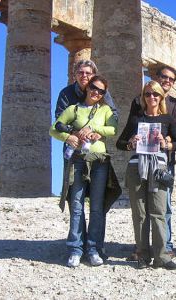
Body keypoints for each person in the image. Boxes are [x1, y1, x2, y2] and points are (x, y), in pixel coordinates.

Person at [50, 75, 118, 268]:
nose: (96, 92)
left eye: (101, 91)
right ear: (88, 88)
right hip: (78, 160)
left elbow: (113, 128)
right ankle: (75, 249)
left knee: (97, 207)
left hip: (99, 161)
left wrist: (96, 130)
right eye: (94, 88)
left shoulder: (105, 110)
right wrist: (69, 137)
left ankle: (94, 248)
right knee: (77, 204)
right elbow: (54, 129)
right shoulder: (74, 109)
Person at [116, 80, 176, 270]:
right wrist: (130, 142)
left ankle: (162, 256)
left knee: (158, 212)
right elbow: (119, 144)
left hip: (159, 168)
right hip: (136, 167)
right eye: (147, 94)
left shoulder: (167, 120)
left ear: (161, 97)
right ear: (143, 97)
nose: (151, 97)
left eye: (155, 94)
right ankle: (143, 255)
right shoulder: (136, 119)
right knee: (139, 214)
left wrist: (166, 144)